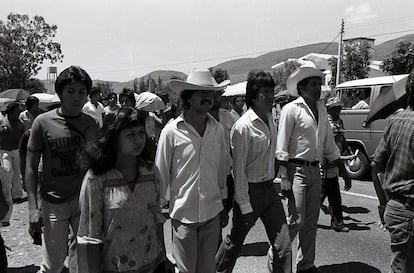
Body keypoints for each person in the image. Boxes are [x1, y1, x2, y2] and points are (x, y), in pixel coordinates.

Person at [77, 107, 173, 273]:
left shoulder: (150, 172)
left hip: (151, 265)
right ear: (114, 138)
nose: (138, 140)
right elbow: (90, 236)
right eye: (130, 135)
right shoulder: (97, 178)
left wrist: (163, 259)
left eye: (141, 133)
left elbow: (157, 219)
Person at [276, 66, 351, 273]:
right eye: (313, 84)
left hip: (315, 171)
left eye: (319, 84)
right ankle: (276, 257)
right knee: (295, 221)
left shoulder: (322, 110)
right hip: (296, 170)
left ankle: (306, 264)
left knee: (310, 222)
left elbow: (328, 145)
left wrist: (342, 170)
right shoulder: (291, 110)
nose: (318, 88)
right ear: (301, 88)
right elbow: (281, 145)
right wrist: (283, 176)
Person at [216, 71, 292, 273]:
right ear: (253, 95)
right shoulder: (243, 127)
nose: (269, 96)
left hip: (269, 190)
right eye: (264, 92)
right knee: (234, 244)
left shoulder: (270, 119)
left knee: (283, 245)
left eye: (271, 91)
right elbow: (238, 171)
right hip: (249, 191)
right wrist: (245, 205)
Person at [26, 65, 100, 273]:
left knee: (84, 263)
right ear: (60, 93)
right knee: (53, 265)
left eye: (81, 92)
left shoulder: (91, 124)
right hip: (53, 203)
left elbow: (98, 164)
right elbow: (31, 166)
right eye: (70, 92)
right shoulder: (43, 123)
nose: (76, 97)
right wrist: (33, 207)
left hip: (84, 202)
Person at [155, 69, 228, 273]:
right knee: (186, 270)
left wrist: (223, 202)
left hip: (212, 213)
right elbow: (161, 172)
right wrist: (158, 208)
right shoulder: (171, 132)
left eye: (211, 93)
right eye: (201, 93)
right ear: (187, 97)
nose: (208, 97)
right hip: (183, 215)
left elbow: (221, 169)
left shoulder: (218, 130)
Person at [372, 68, 414, 273]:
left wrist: (383, 203)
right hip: (409, 211)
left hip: (397, 209)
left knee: (400, 266)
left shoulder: (394, 121)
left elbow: (375, 166)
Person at [320, 97, 352, 232]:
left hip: (336, 159)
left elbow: (342, 137)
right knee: (321, 195)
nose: (338, 110)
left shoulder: (339, 121)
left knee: (334, 196)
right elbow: (323, 143)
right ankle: (303, 219)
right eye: (336, 108)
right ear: (330, 109)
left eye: (339, 108)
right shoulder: (325, 123)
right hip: (327, 161)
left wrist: (347, 148)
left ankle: (337, 222)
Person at [0, 102, 25, 226]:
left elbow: (22, 137)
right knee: (7, 172)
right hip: (5, 151)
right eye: (16, 111)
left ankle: (17, 195)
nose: (18, 113)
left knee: (16, 174)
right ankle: (6, 195)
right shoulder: (2, 122)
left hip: (16, 150)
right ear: (10, 111)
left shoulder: (20, 123)